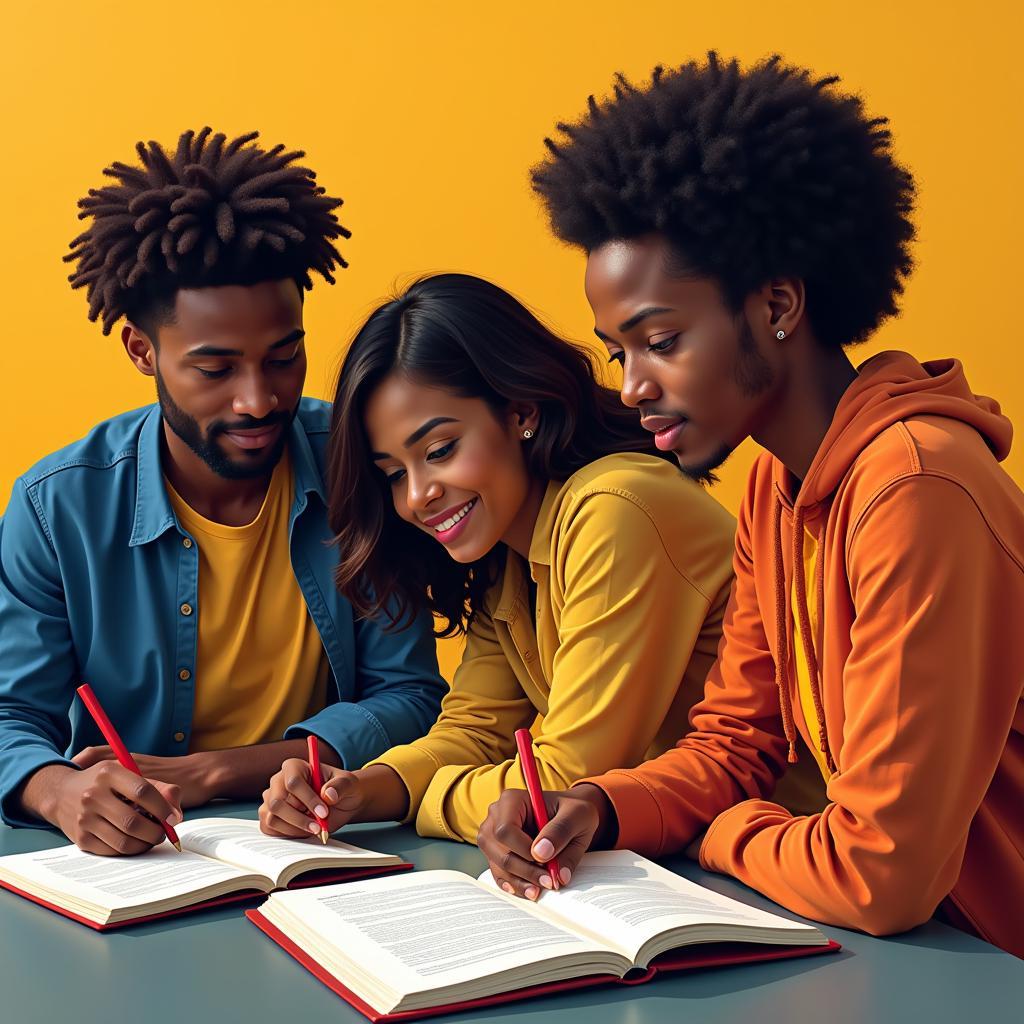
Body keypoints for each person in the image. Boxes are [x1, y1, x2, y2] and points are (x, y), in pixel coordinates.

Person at [476, 55, 1024, 957]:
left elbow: (882, 873)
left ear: (776, 305)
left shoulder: (917, 490)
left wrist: (712, 834)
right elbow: (737, 742)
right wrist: (601, 808)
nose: (633, 386)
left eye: (660, 342)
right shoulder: (780, 481)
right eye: (619, 351)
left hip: (988, 965)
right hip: (901, 959)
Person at [0, 129, 446, 856]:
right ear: (143, 351)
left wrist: (211, 773)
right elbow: (12, 713)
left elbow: (411, 697)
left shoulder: (362, 465)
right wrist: (59, 790)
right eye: (216, 369)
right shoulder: (56, 511)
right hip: (135, 865)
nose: (258, 400)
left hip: (321, 844)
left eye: (284, 356)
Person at [258, 273, 741, 859]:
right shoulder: (508, 552)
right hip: (680, 857)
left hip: (770, 858)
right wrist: (356, 790)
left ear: (520, 411)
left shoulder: (615, 510)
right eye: (392, 473)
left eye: (439, 451)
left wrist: (426, 798)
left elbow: (560, 779)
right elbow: (473, 731)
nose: (417, 497)